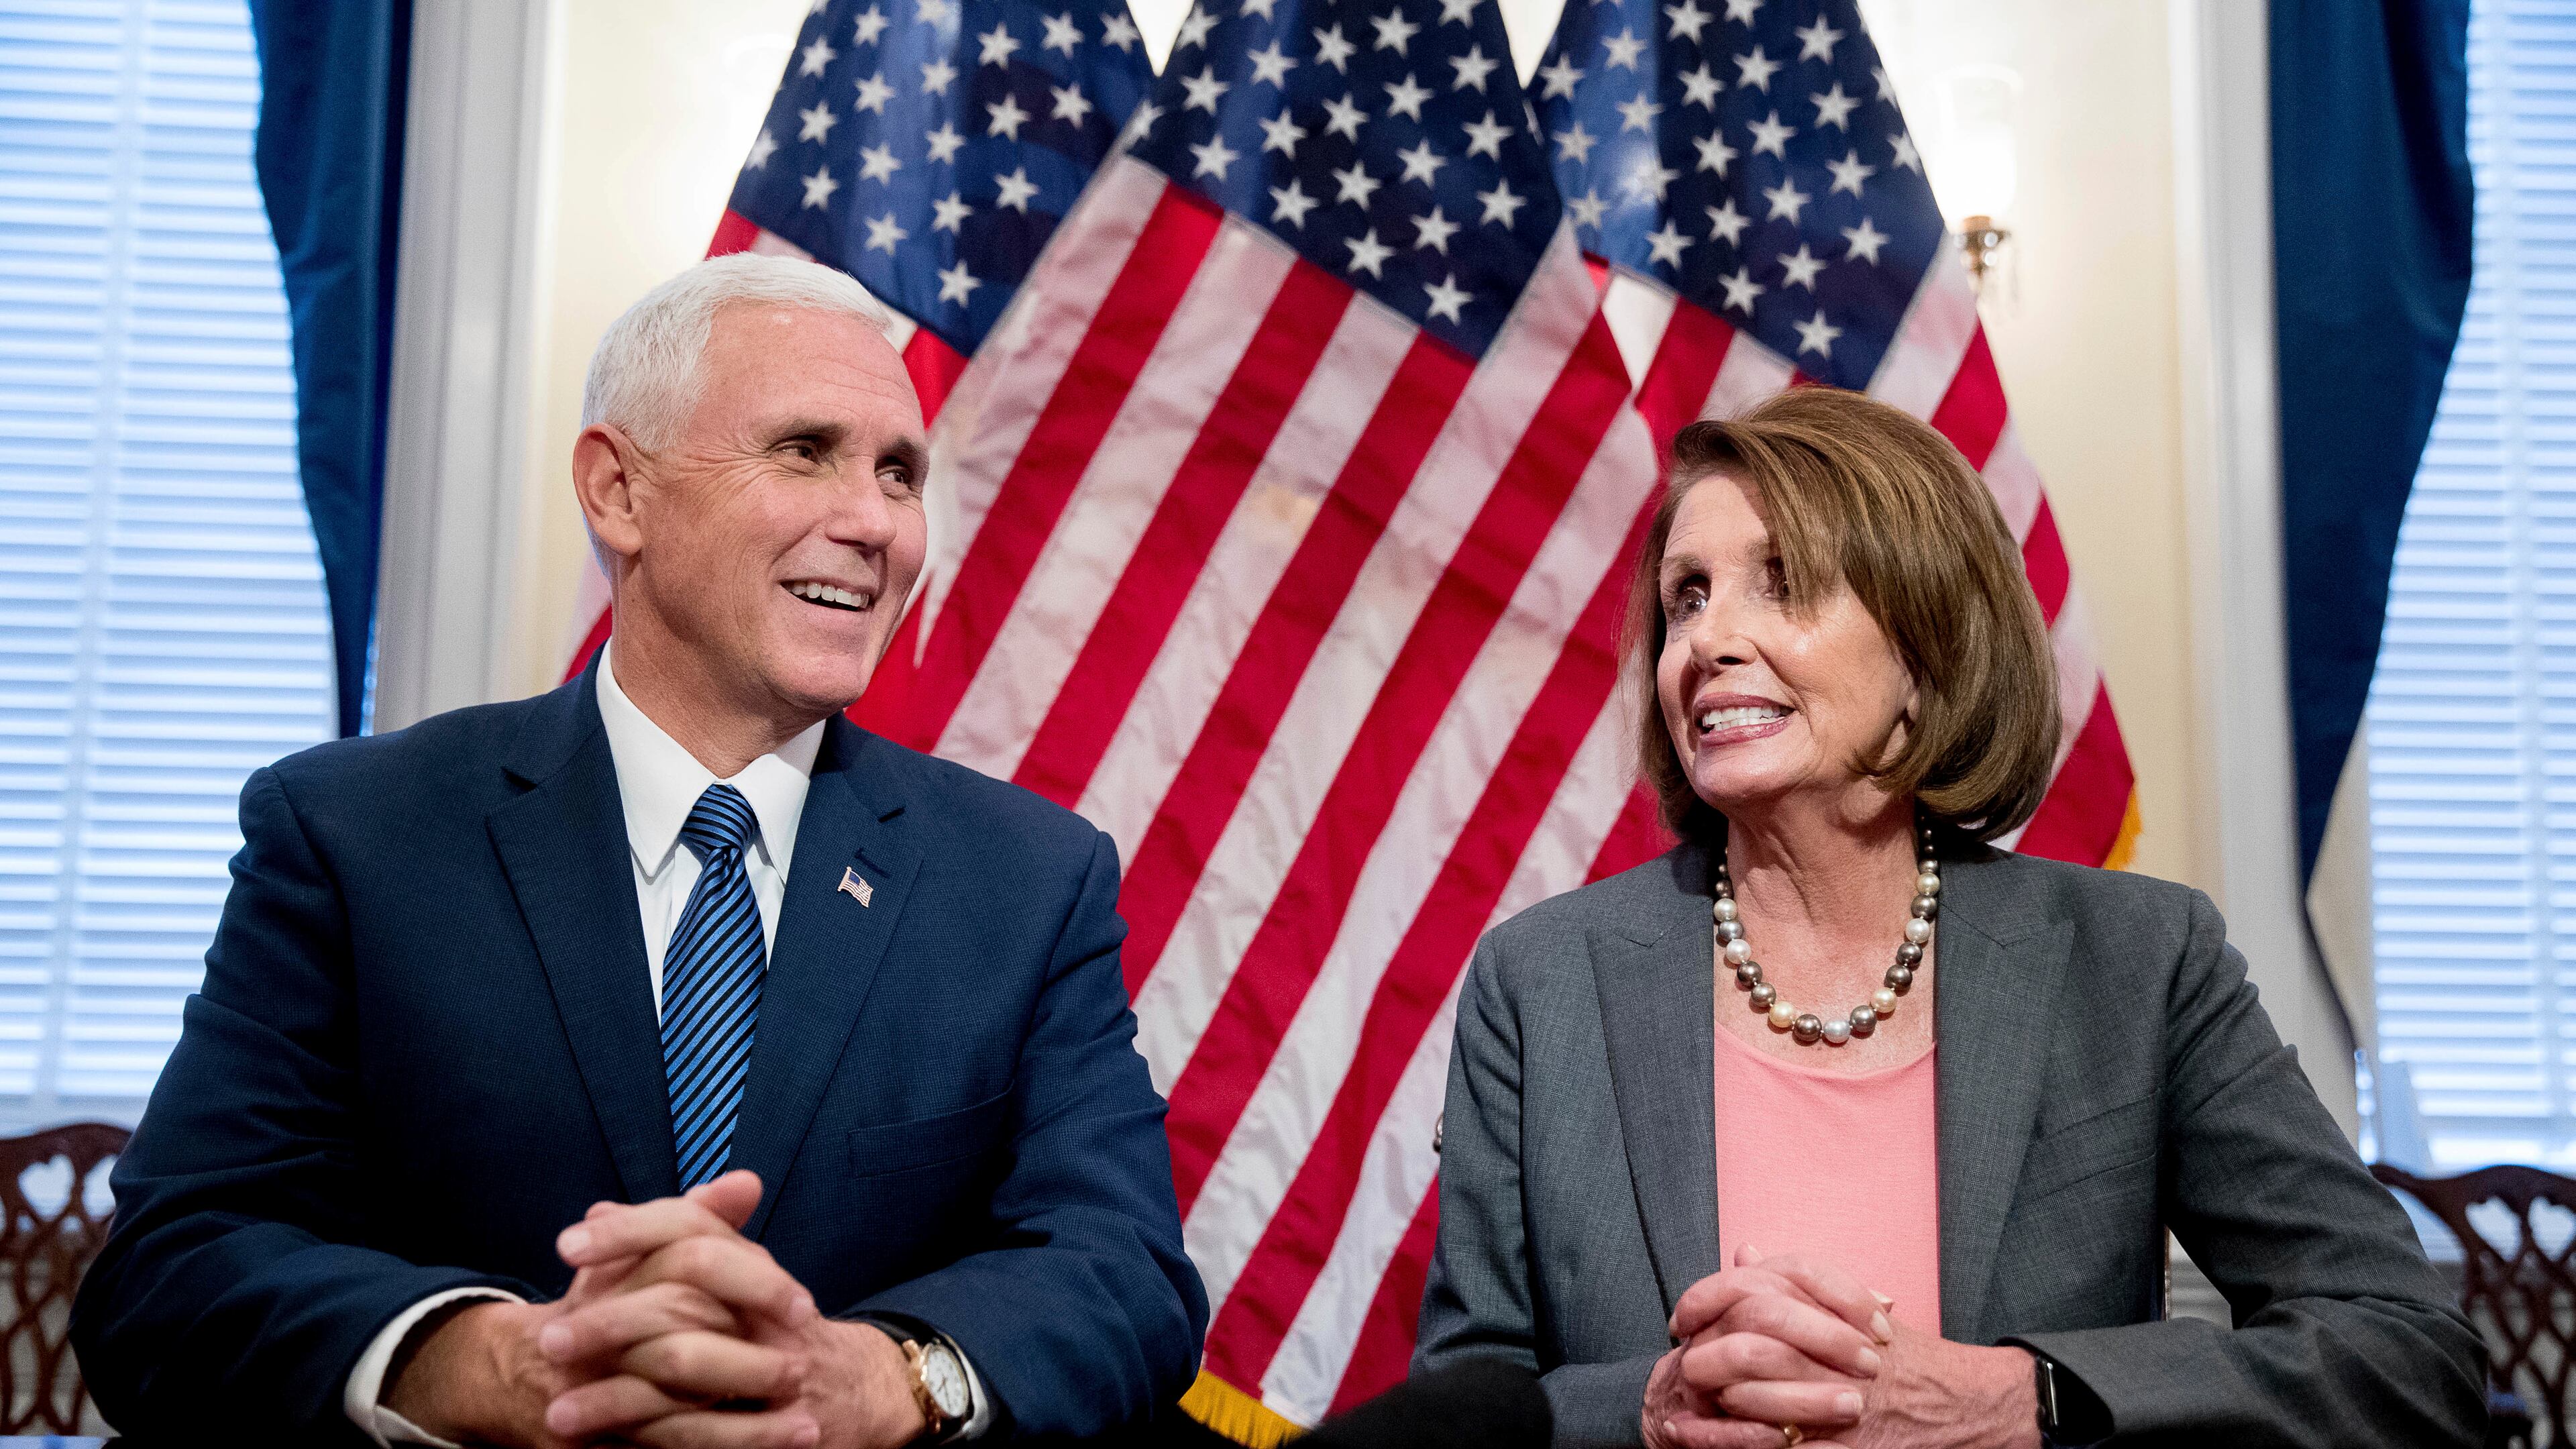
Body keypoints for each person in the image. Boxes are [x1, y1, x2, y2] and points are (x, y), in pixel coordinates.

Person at [70, 254, 1208, 1448]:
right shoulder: (352, 835)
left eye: (899, 473)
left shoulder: (1030, 880)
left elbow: (1122, 1272)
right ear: (618, 492)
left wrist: (878, 1379)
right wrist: (497, 1363)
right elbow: (173, 1269)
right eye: (804, 449)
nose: (872, 521)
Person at [1411, 388, 2487, 1448]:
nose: (1709, 641)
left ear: (1926, 658)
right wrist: (1647, 1414)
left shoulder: (2141, 963)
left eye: (1782, 585)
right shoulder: (1540, 980)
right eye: (1687, 596)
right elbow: (1462, 1405)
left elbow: (2401, 1355)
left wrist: (2018, 1402)